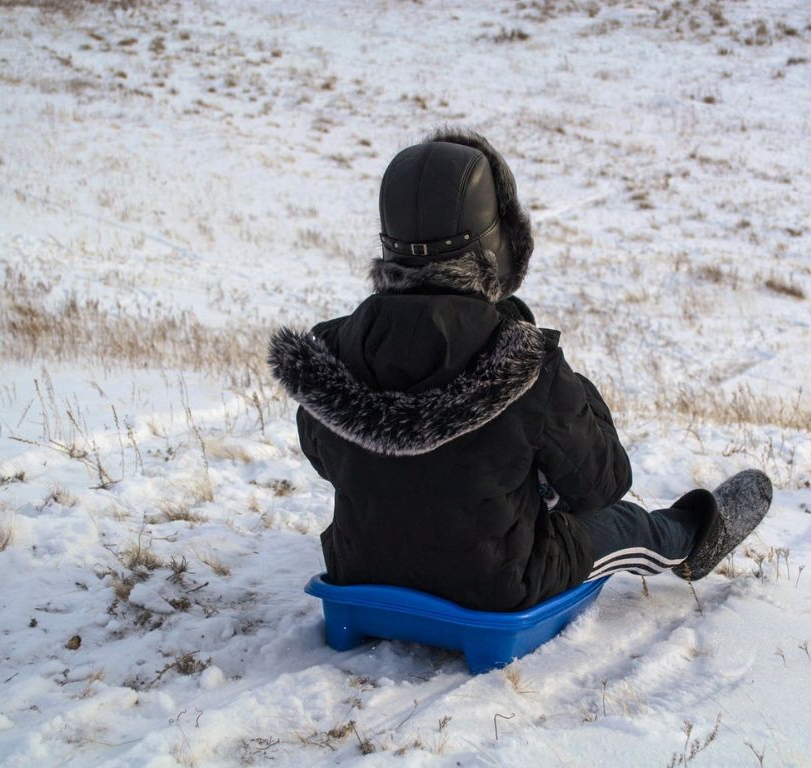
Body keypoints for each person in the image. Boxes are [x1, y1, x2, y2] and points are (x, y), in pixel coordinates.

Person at [269, 127, 772, 612]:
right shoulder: (524, 362)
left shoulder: (330, 349)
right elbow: (603, 484)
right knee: (622, 523)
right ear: (497, 244)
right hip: (497, 583)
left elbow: (330, 460)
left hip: (357, 567)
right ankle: (693, 538)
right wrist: (566, 384)